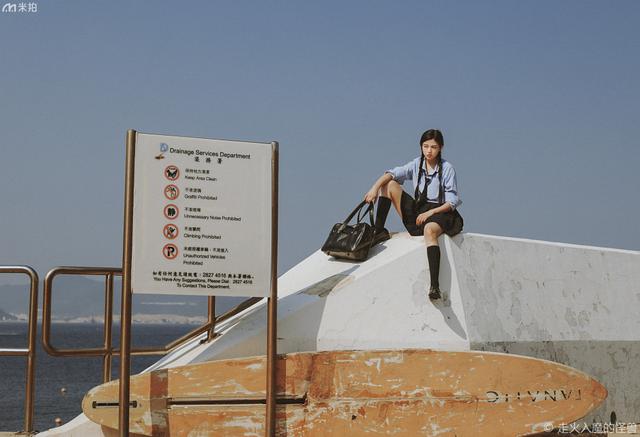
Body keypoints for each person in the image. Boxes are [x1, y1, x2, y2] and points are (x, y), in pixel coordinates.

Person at [364, 129, 463, 300]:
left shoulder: (447, 168)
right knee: (389, 184)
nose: (429, 151)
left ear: (441, 148)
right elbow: (392, 173)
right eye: (425, 146)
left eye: (433, 147)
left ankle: (434, 286)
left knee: (430, 231)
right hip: (419, 211)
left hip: (441, 212)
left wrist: (431, 212)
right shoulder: (417, 164)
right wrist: (373, 189)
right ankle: (378, 230)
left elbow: (452, 202)